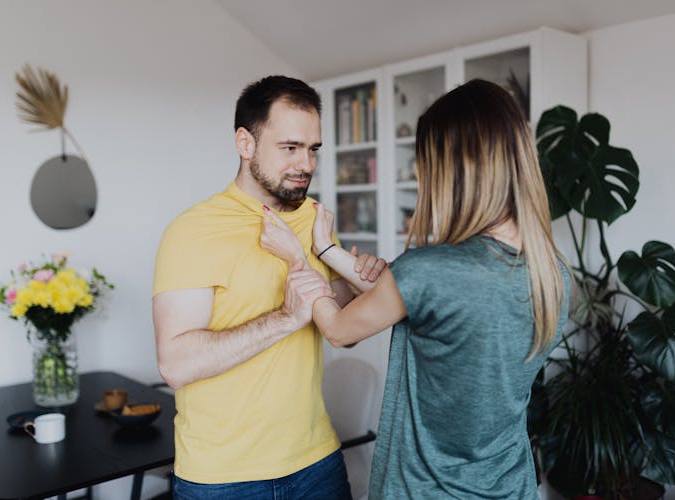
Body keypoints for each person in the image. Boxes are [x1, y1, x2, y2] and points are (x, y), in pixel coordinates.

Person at [261, 79, 571, 499]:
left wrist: (297, 256)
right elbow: (413, 296)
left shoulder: (431, 270)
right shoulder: (552, 274)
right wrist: (328, 250)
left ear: (454, 168)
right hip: (509, 487)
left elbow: (338, 328)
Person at [152, 75, 386, 499]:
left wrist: (350, 277)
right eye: (290, 148)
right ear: (245, 143)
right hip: (223, 478)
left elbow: (342, 332)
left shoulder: (313, 218)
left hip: (317, 462)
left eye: (313, 149)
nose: (307, 165)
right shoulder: (194, 231)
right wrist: (285, 317)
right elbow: (175, 365)